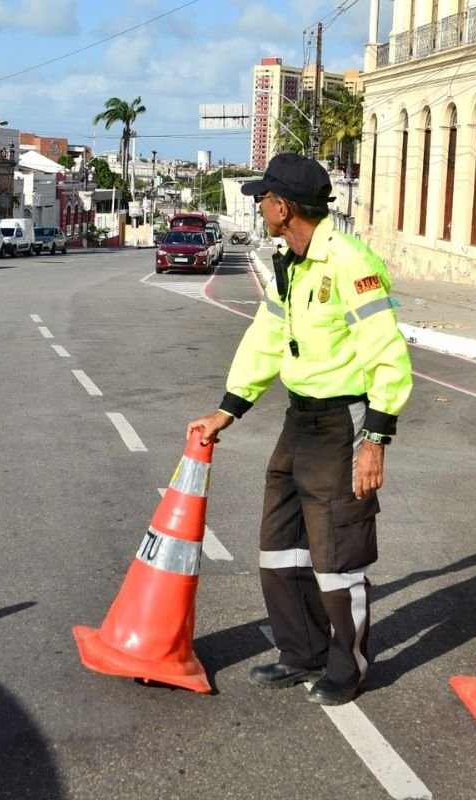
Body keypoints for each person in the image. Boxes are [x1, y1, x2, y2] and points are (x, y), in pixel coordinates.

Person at [187, 153, 413, 705]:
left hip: (344, 421)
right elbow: (266, 339)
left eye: (263, 198)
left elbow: (386, 352)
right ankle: (302, 651)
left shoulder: (349, 264)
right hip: (300, 418)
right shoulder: (291, 261)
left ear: (284, 206)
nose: (259, 205)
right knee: (281, 542)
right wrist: (228, 409)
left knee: (338, 551)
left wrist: (376, 439)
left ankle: (348, 665)